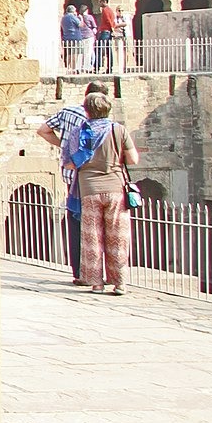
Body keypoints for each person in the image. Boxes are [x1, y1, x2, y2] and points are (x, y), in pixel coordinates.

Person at [37, 81, 108, 285]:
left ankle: (78, 272)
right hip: (90, 179)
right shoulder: (98, 122)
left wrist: (63, 145)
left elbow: (43, 130)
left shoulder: (67, 112)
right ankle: (95, 273)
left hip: (71, 179)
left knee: (76, 224)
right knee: (94, 226)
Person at [70, 90, 140, 295]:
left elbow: (70, 162)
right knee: (117, 237)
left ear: (87, 111)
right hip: (115, 187)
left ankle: (96, 283)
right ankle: (119, 283)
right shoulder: (118, 130)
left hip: (89, 189)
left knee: (92, 238)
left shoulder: (79, 132)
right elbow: (133, 159)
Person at [59, 5, 85, 72]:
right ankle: (73, 68)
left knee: (69, 54)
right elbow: (81, 25)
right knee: (74, 54)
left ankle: (68, 68)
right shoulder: (72, 17)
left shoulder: (64, 18)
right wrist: (81, 18)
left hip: (66, 37)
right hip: (75, 37)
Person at [95, 0, 118, 72]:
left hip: (105, 31)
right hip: (108, 31)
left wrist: (112, 29)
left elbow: (108, 20)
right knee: (108, 49)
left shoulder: (105, 10)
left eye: (100, 2)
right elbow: (112, 21)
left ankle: (97, 67)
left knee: (99, 48)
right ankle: (109, 68)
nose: (99, 3)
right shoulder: (110, 10)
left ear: (104, 2)